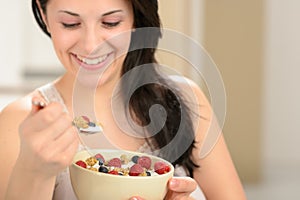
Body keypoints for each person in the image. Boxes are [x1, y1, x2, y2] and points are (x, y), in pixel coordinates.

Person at [0, 0, 247, 199]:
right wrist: (34, 171)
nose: (91, 45)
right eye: (70, 23)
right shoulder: (20, 121)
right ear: (44, 16)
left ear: (135, 20)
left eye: (110, 22)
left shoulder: (186, 101)